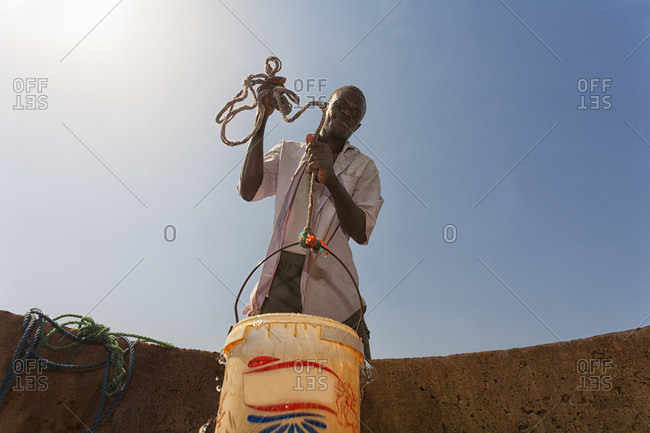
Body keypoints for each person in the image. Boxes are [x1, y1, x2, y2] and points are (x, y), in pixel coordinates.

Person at [238, 78, 383, 359]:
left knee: (346, 372)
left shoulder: (364, 167)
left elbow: (361, 232)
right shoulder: (288, 152)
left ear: (358, 127)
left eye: (355, 114)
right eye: (341, 105)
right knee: (265, 369)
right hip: (280, 277)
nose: (347, 114)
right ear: (326, 107)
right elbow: (248, 189)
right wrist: (261, 118)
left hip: (332, 282)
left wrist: (331, 179)